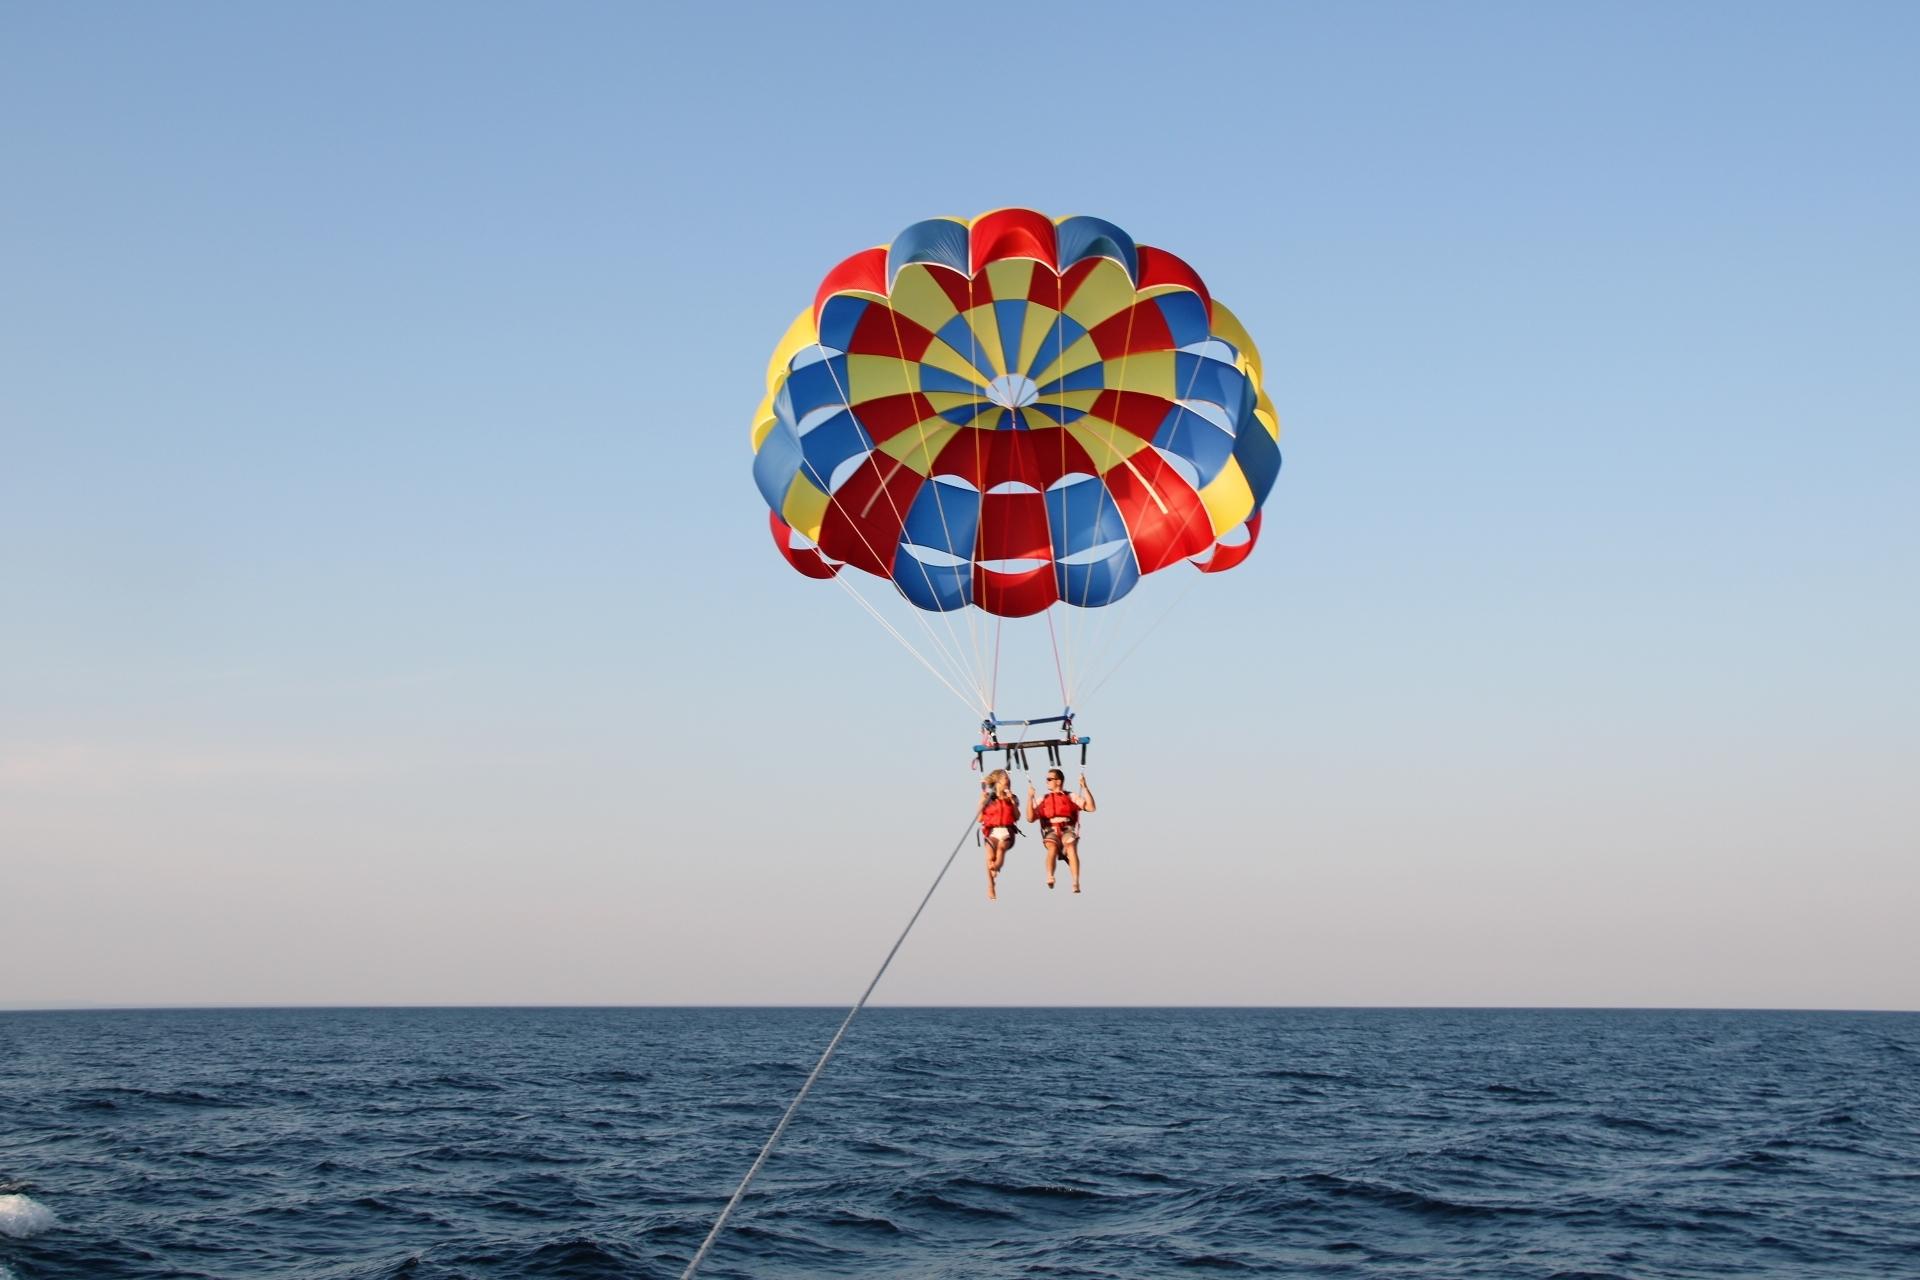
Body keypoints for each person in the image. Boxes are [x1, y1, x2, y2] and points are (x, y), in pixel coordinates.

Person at [1027, 769, 1095, 893]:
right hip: (1050, 830)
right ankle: (1050, 876)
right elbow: (1030, 818)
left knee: (1070, 846)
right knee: (1052, 847)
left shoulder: (1070, 796)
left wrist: (1085, 787)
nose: (1046, 782)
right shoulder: (1043, 798)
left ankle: (1075, 881)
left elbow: (1091, 807)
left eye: (1049, 779)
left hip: (1066, 829)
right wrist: (1030, 798)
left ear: (1058, 781)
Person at [977, 769, 1020, 901]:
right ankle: (991, 885)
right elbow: (979, 819)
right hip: (992, 832)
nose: (1008, 780)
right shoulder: (989, 799)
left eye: (1008, 778)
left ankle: (995, 867)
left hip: (1007, 831)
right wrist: (981, 802)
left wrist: (1012, 802)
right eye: (1005, 778)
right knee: (989, 855)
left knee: (1001, 848)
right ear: (998, 782)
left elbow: (1017, 816)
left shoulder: (1013, 798)